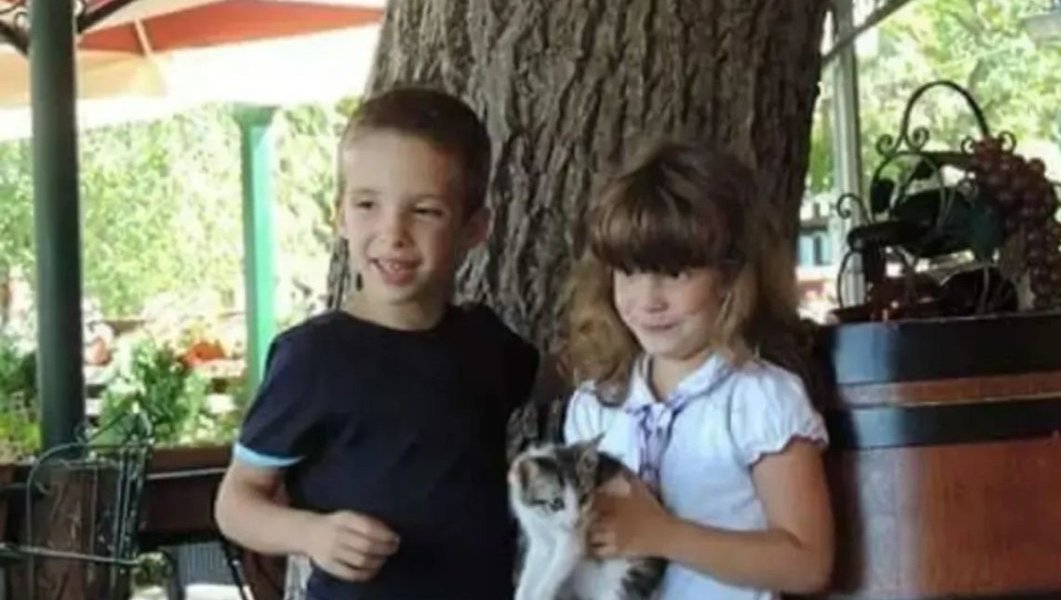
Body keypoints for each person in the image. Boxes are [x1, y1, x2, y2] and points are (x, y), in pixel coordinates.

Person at [214, 86, 539, 600]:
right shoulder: (313, 358)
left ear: (473, 228)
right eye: (367, 204)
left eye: (425, 211)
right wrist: (311, 534)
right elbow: (236, 502)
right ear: (340, 215)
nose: (393, 232)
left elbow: (576, 376)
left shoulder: (485, 344)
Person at [560, 141, 835, 599]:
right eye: (629, 273)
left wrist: (662, 534)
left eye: (675, 274)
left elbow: (808, 564)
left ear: (729, 276)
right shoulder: (596, 405)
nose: (649, 300)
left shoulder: (759, 400)